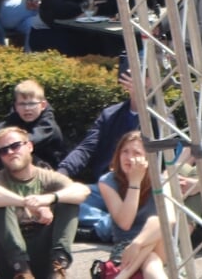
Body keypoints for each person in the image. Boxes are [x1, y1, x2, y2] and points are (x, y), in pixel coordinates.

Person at [0, 126, 86, 279]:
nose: (10, 152)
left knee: (69, 200)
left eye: (15, 146)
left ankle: (59, 266)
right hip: (10, 263)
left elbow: (81, 191)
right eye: (3, 150)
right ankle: (23, 271)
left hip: (43, 256)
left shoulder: (47, 176)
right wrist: (26, 203)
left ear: (29, 146)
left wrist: (48, 199)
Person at [57, 69, 140, 242]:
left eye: (142, 74)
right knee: (60, 200)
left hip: (139, 187)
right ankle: (108, 225)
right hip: (107, 185)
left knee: (142, 216)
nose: (134, 77)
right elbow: (86, 148)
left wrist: (142, 99)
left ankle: (98, 230)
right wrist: (61, 173)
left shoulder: (161, 116)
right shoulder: (110, 114)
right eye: (130, 72)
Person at [98, 132, 164, 278]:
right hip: (125, 246)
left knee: (157, 223)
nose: (129, 157)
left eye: (137, 153)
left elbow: (169, 220)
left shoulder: (161, 179)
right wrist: (135, 182)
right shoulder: (107, 181)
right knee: (151, 259)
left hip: (159, 243)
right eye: (125, 152)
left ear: (147, 158)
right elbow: (125, 223)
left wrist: (138, 243)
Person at [0, 80, 67, 181]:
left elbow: (26, 142)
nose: (27, 108)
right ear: (16, 106)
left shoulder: (48, 126)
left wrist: (3, 140)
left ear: (42, 105)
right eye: (22, 104)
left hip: (49, 174)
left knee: (20, 150)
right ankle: (5, 187)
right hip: (19, 174)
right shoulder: (15, 118)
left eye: (32, 104)